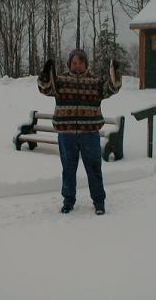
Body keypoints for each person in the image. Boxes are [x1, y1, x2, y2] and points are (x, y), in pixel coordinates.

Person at [38, 49, 121, 215]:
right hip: (66, 134)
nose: (77, 66)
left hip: (89, 133)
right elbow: (45, 89)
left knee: (94, 168)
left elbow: (111, 89)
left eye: (80, 62)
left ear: (86, 64)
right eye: (74, 63)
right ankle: (68, 201)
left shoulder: (95, 82)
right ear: (70, 64)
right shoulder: (60, 81)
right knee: (68, 169)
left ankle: (99, 201)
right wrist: (45, 75)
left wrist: (115, 76)